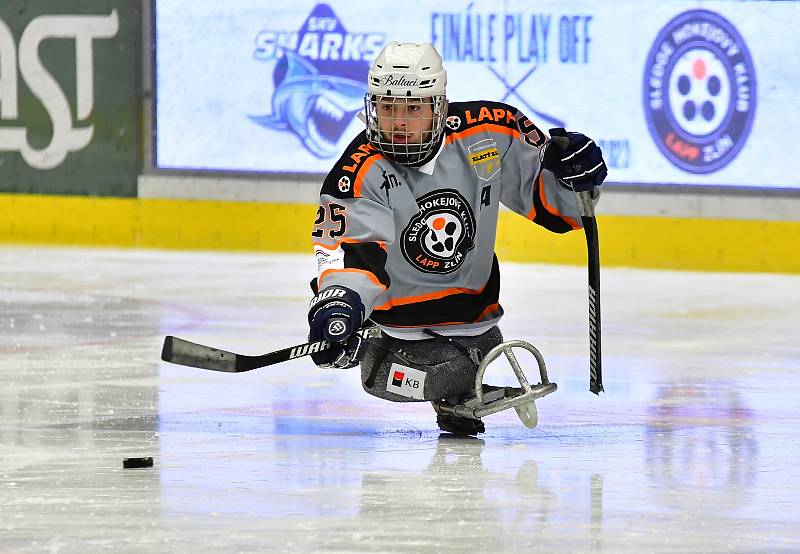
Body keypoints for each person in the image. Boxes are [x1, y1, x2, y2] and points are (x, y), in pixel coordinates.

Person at [307, 41, 606, 435]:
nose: (398, 120)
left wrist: (576, 178)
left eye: (412, 108)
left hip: (474, 317)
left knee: (475, 357)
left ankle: (451, 386)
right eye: (387, 107)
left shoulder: (489, 132)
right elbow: (354, 257)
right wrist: (340, 305)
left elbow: (558, 209)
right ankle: (368, 353)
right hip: (397, 327)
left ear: (438, 106)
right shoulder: (358, 171)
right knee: (451, 373)